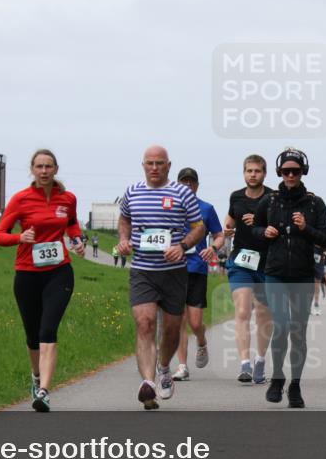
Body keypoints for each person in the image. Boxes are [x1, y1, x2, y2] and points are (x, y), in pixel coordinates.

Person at [0, 149, 86, 412]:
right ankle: (36, 377)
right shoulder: (20, 199)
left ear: (56, 169)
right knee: (33, 334)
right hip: (27, 274)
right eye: (39, 167)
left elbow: (71, 223)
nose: (44, 171)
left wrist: (77, 240)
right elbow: (0, 235)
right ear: (32, 170)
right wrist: (19, 238)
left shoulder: (67, 198)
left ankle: (44, 391)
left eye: (48, 166)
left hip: (59, 272)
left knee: (48, 330)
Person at [116, 146, 205, 409]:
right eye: (150, 163)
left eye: (159, 163)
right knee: (144, 323)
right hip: (143, 270)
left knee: (171, 329)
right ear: (143, 165)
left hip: (174, 272)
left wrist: (182, 246)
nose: (154, 168)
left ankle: (164, 367)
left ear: (168, 165)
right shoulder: (132, 192)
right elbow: (124, 220)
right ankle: (148, 383)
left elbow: (198, 227)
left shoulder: (182, 193)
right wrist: (123, 239)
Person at [252, 148, 326, 408]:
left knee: (298, 331)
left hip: (302, 275)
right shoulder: (269, 201)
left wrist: (305, 228)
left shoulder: (314, 203)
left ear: (302, 172)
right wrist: (264, 232)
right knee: (281, 326)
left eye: (295, 171)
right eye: (286, 171)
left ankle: (295, 384)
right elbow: (253, 230)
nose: (290, 175)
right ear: (279, 172)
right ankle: (277, 377)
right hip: (274, 273)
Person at [224, 155, 274, 384]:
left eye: (257, 171)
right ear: (244, 172)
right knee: (243, 310)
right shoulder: (236, 196)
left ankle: (260, 360)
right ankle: (245, 364)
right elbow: (229, 221)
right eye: (249, 170)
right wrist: (226, 230)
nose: (253, 175)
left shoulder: (273, 197)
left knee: (263, 313)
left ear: (264, 173)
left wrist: (259, 222)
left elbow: (279, 226)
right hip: (241, 262)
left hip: (267, 263)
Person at [172, 168, 225, 381]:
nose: (187, 185)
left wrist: (213, 248)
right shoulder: (169, 207)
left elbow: (219, 235)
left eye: (191, 182)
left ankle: (201, 341)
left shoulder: (206, 208)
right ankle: (182, 366)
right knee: (179, 320)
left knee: (195, 323)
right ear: (177, 184)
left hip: (196, 269)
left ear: (197, 185)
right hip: (173, 268)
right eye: (183, 181)